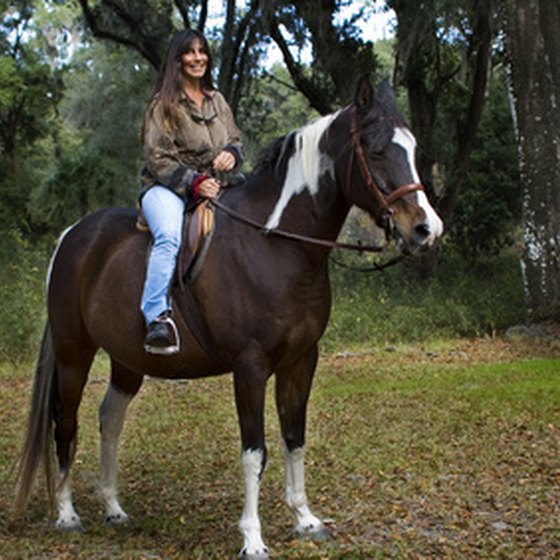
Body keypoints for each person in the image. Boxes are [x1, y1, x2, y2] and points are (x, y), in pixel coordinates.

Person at [138, 29, 243, 355]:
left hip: (212, 185)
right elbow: (158, 158)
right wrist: (195, 183)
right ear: (178, 59)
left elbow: (235, 139)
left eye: (202, 51)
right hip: (165, 187)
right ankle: (155, 317)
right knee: (169, 236)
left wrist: (232, 154)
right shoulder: (163, 105)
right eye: (189, 52)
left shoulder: (217, 100)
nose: (198, 58)